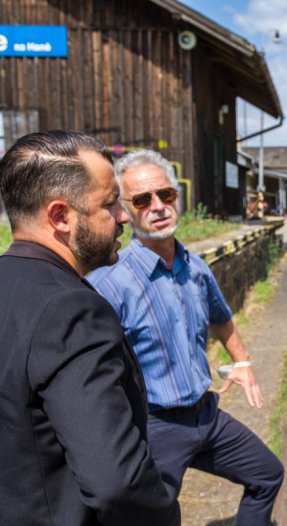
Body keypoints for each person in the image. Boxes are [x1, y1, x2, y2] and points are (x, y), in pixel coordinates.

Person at [88, 150, 284, 526]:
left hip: (206, 416)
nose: (158, 206)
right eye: (143, 200)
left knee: (267, 474)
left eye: (166, 195)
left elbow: (221, 317)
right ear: (125, 211)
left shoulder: (194, 267)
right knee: (154, 518)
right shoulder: (109, 285)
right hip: (155, 427)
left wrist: (241, 361)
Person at [0, 131, 180, 525]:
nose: (122, 217)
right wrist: (165, 511)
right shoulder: (71, 309)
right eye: (110, 203)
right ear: (60, 216)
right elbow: (117, 482)